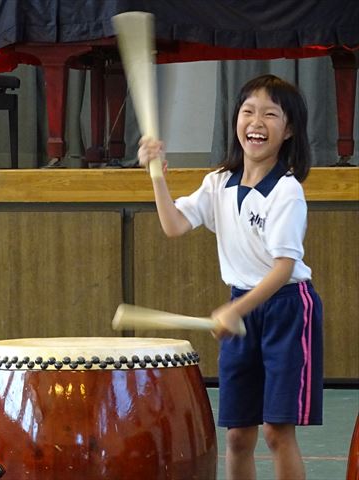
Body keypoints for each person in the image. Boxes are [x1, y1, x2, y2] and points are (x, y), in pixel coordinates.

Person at [138, 74, 323, 480]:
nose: (256, 122)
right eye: (248, 111)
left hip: (287, 310)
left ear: (288, 129)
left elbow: (283, 268)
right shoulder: (218, 182)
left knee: (277, 431)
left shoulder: (287, 191)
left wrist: (235, 309)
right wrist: (156, 175)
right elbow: (174, 225)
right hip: (242, 309)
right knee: (239, 436)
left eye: (270, 114)